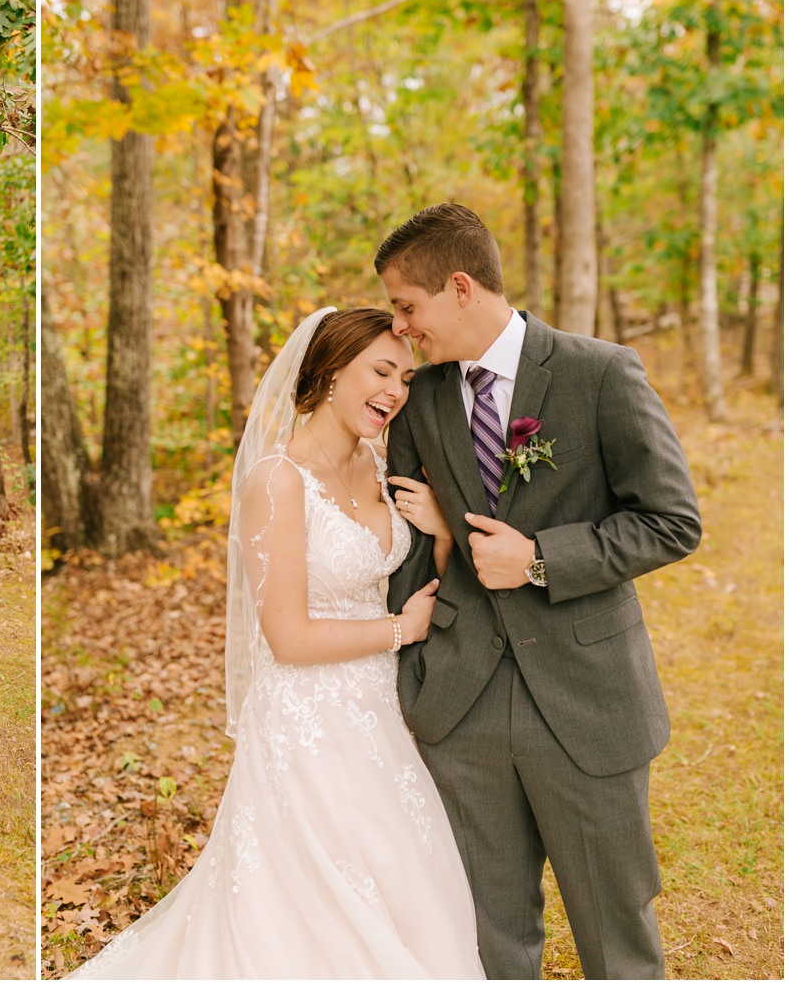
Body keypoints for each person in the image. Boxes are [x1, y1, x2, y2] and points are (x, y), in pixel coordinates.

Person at [68, 307, 484, 978]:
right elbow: (288, 637)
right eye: (381, 371)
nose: (396, 391)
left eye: (406, 377)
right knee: (314, 896)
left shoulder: (382, 466)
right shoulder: (276, 479)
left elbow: (419, 577)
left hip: (383, 703)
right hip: (307, 713)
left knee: (398, 871)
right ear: (327, 369)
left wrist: (438, 529)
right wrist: (402, 628)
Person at [378, 203, 702, 979]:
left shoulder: (600, 372)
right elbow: (406, 544)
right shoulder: (418, 400)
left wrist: (540, 559)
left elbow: (672, 520)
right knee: (488, 938)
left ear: (460, 286)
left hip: (587, 699)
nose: (400, 328)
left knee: (614, 934)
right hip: (462, 701)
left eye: (406, 306)